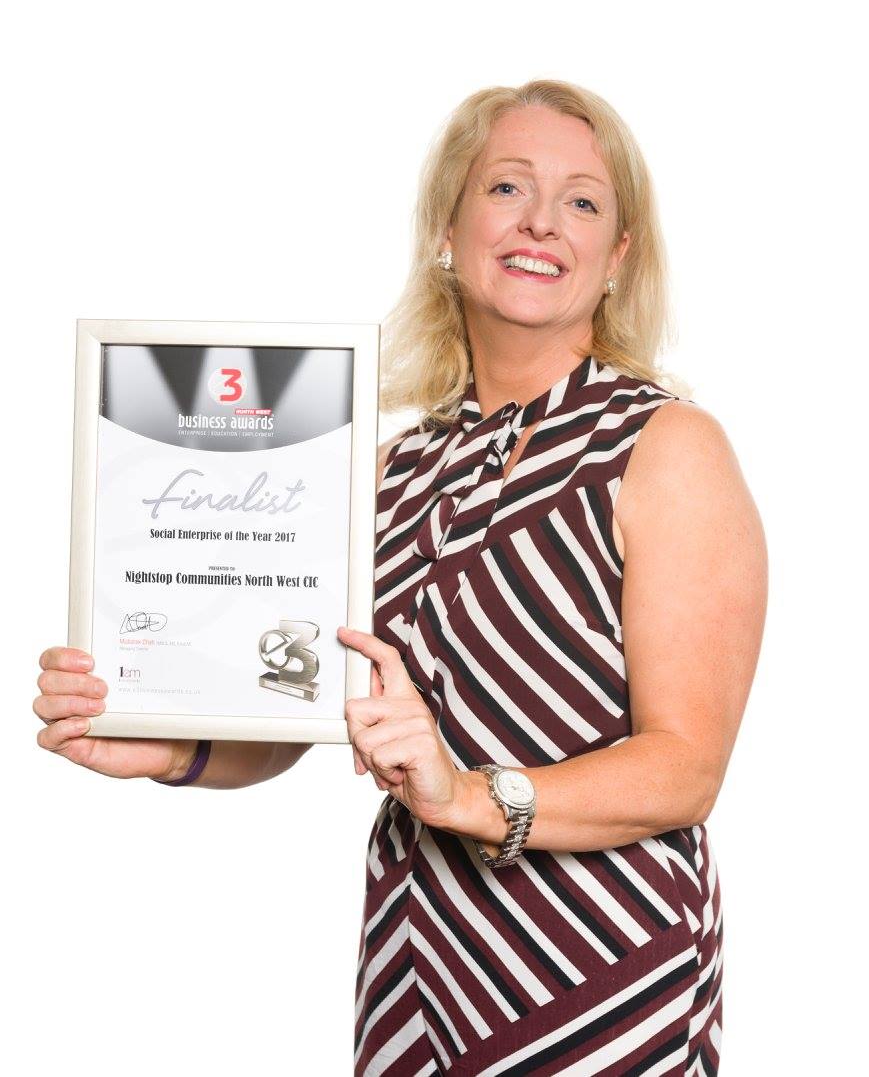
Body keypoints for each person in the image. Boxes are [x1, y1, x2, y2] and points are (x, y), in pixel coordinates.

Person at [35, 79, 767, 1075]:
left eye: (582, 201)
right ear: (445, 230)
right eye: (506, 187)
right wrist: (164, 746)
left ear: (617, 257)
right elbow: (303, 706)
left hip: (601, 960)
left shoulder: (663, 447)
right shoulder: (388, 468)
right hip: (420, 949)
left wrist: (468, 795)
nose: (541, 222)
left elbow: (685, 768)